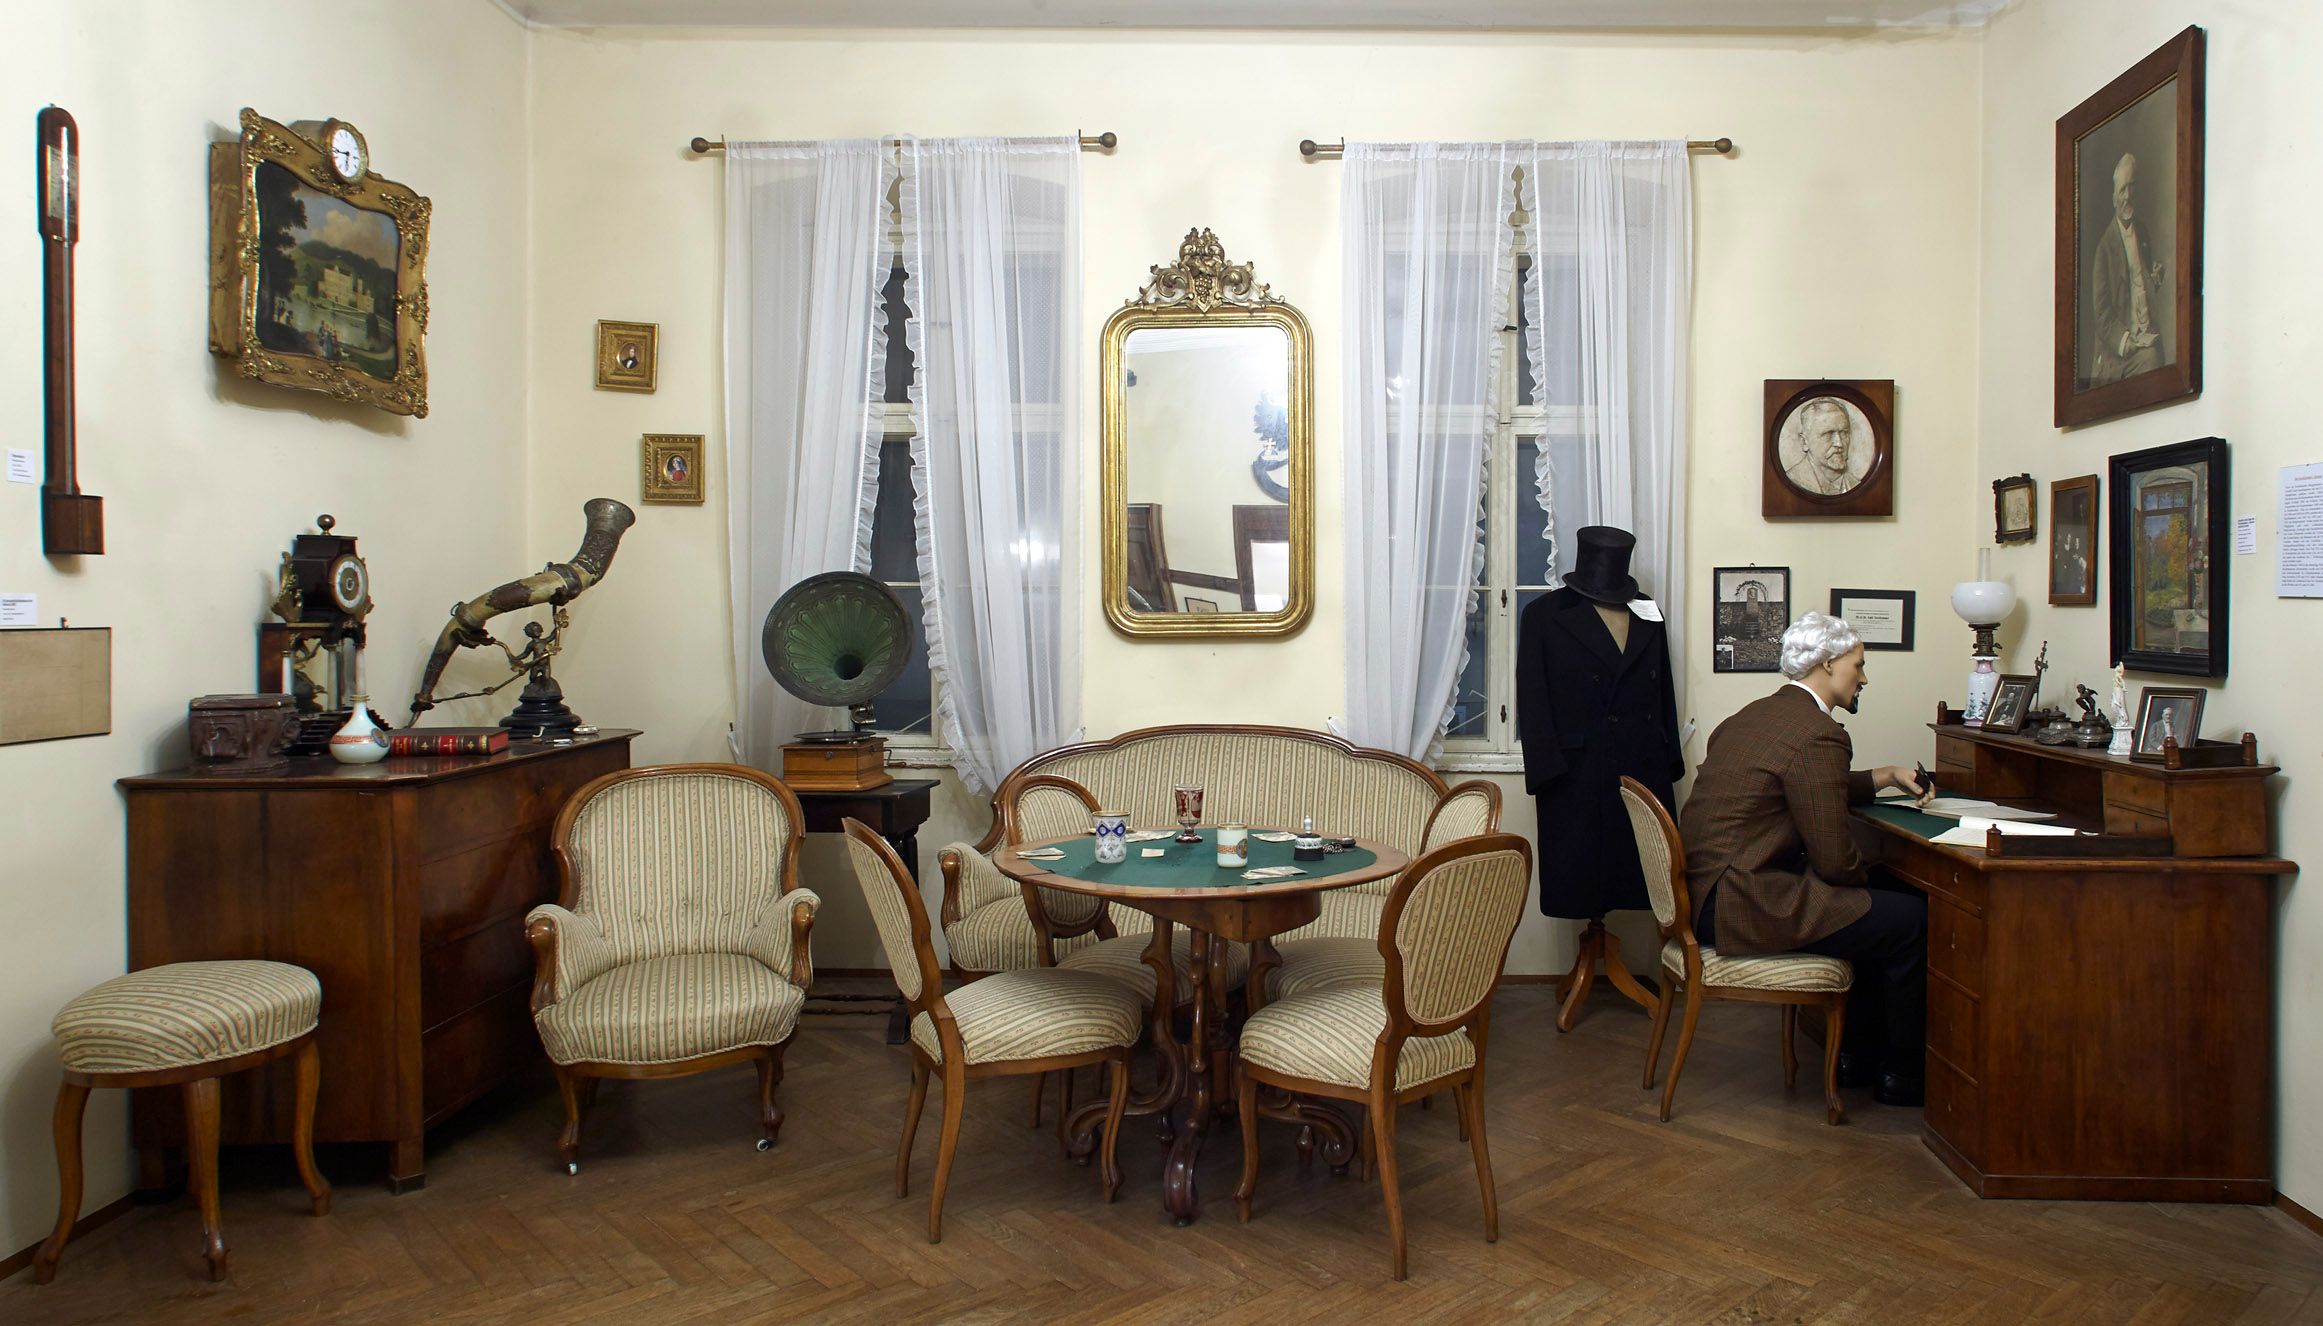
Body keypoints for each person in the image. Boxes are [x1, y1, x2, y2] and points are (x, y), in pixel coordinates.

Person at [1677, 611, 1932, 1104]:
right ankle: (1901, 1074)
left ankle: (1855, 1055)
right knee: (1911, 919)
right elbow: (1836, 863)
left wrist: (1880, 777)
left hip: (1710, 894)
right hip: (1744, 902)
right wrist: (1868, 874)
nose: (1863, 677)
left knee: (1881, 901)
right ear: (1830, 662)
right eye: (1858, 664)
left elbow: (1802, 781)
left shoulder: (1755, 715)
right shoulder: (1819, 733)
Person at [2090, 152, 2165, 386]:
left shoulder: (2142, 233)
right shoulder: (2104, 248)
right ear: (2113, 198)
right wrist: (2124, 340)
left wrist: (2154, 279)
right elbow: (2102, 315)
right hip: (2116, 355)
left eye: (2132, 187)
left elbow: (2138, 285)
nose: (2127, 197)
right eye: (2122, 190)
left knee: (2156, 357)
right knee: (2153, 362)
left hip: (2144, 339)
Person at [1782, 398, 1868, 496]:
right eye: (1828, 434)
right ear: (1805, 442)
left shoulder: (1857, 485)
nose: (1839, 443)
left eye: (1844, 433)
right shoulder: (1791, 481)